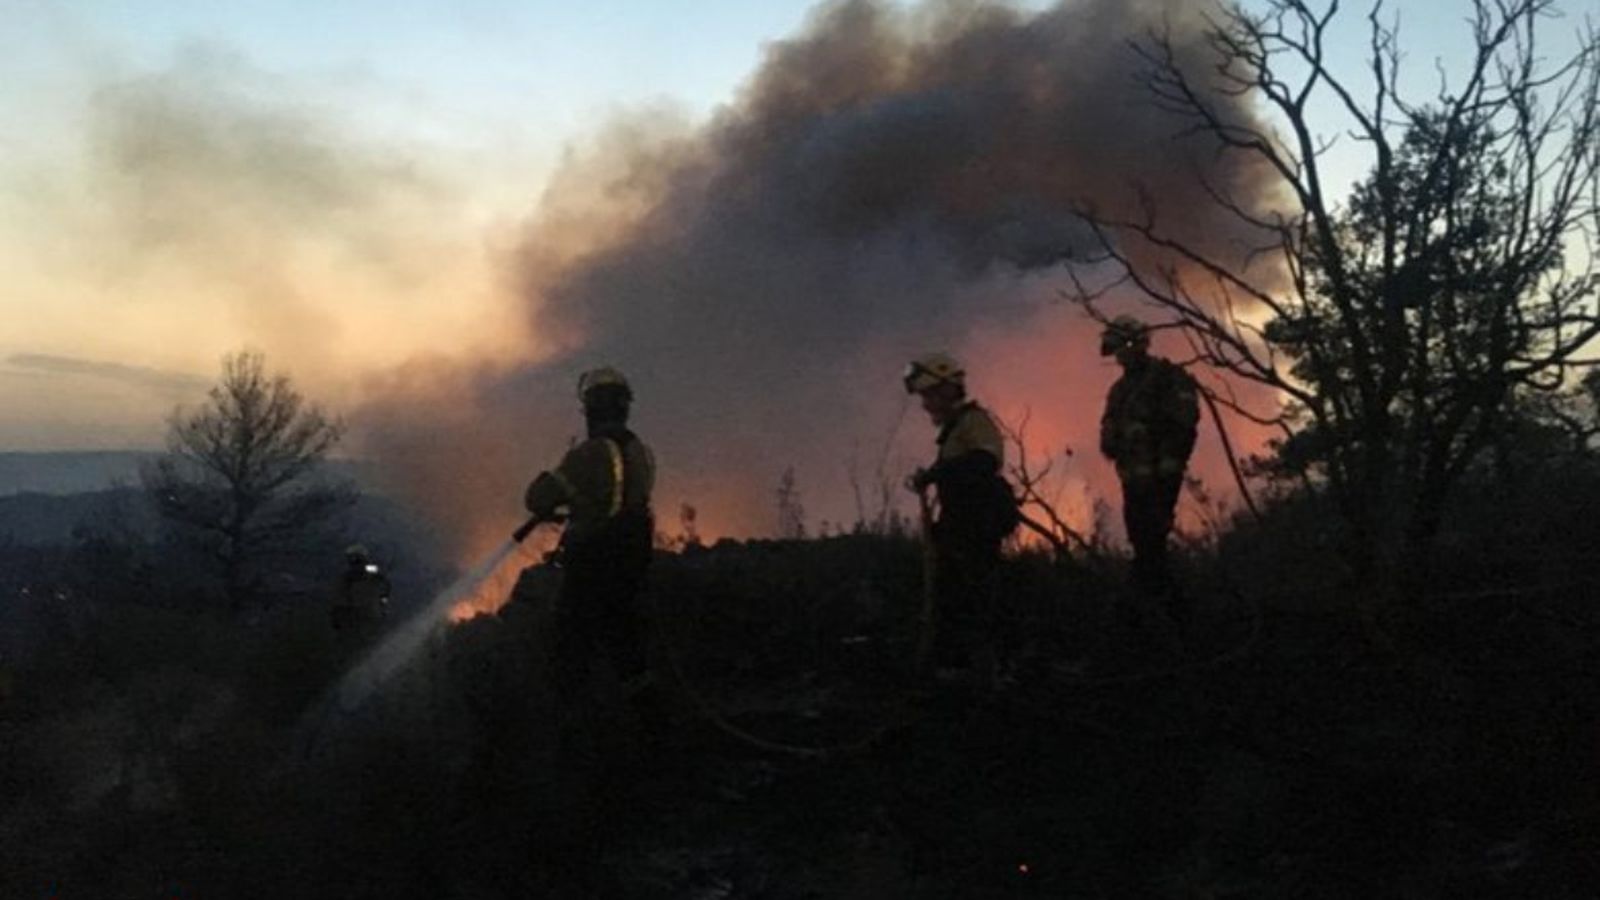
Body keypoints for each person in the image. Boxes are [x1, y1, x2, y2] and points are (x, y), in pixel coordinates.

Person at [903, 352, 1018, 677]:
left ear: (949, 389)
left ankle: (985, 671)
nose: (926, 404)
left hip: (976, 526)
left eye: (930, 394)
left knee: (975, 597)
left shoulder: (973, 422)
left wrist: (939, 473)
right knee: (955, 595)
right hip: (960, 526)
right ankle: (960, 668)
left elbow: (985, 460)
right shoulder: (955, 429)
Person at [1099, 316, 1200, 620]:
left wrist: (1168, 470)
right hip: (1133, 483)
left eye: (1121, 348)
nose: (1118, 356)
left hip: (1160, 482)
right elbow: (1109, 434)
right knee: (1143, 544)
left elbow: (1184, 426)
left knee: (1152, 546)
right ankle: (1154, 609)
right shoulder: (1120, 390)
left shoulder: (1168, 377)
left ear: (1135, 344)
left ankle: (1168, 614)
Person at [330, 544, 390, 633]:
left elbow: (383, 580)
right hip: (355, 604)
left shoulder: (368, 569)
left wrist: (383, 597)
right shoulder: (347, 574)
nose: (353, 559)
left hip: (366, 603)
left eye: (356, 557)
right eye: (352, 557)